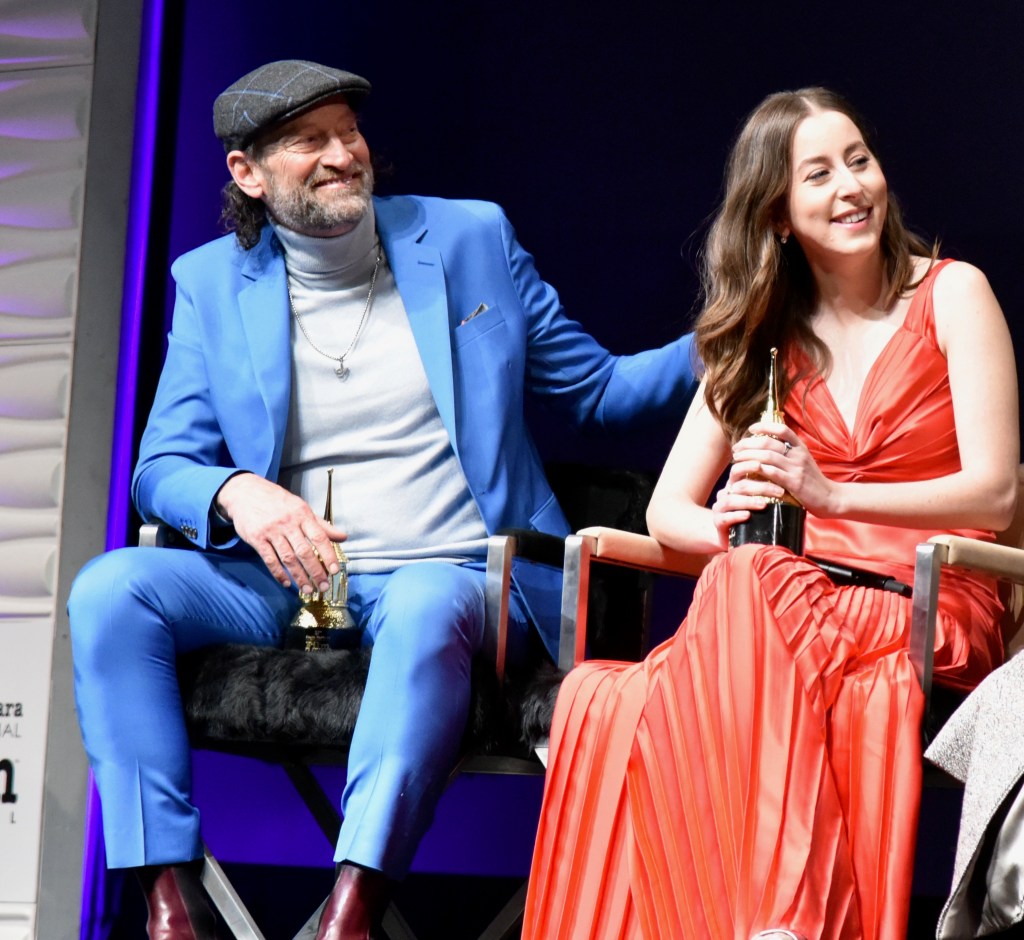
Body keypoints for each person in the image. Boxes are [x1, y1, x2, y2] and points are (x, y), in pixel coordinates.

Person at [67, 59, 698, 940]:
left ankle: (353, 909)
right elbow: (162, 464)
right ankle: (171, 903)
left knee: (428, 597)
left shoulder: (470, 238)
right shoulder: (211, 283)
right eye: (308, 140)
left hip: (455, 578)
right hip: (296, 588)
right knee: (109, 591)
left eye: (348, 132)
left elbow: (599, 391)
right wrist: (236, 491)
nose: (342, 154)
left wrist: (735, 334)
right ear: (248, 172)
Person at [522, 87, 1018, 940]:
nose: (851, 186)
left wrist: (827, 496)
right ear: (779, 216)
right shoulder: (765, 337)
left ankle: (789, 915)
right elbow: (669, 509)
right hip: (787, 604)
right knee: (708, 605)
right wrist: (732, 521)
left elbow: (996, 493)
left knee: (714, 626)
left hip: (927, 604)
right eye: (818, 174)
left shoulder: (952, 294)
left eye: (859, 160)